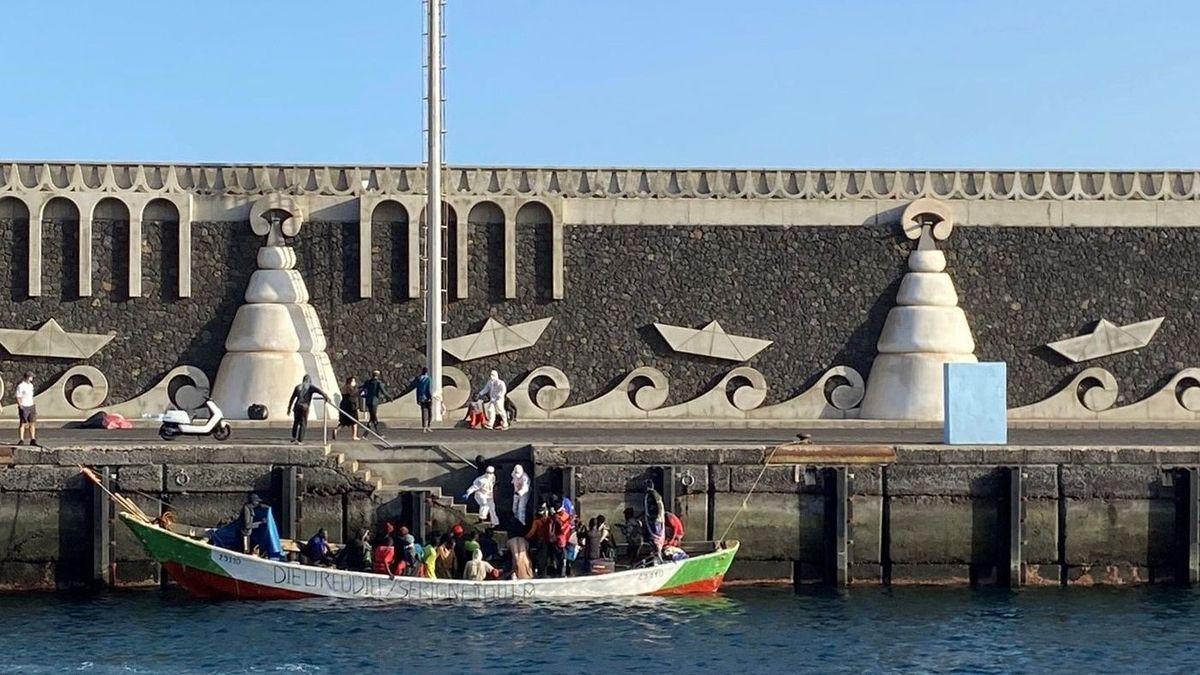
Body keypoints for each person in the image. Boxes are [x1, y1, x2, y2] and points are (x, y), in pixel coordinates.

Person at [287, 375, 326, 444]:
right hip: (305, 407)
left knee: (296, 422)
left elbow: (292, 398)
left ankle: (293, 437)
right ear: (309, 380)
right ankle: (300, 440)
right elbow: (320, 391)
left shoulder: (298, 387)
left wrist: (289, 408)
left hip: (297, 406)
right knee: (303, 423)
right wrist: (326, 397)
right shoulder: (310, 387)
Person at [525, 504, 552, 577]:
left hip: (540, 541)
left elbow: (532, 532)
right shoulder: (548, 520)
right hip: (548, 541)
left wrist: (525, 537)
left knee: (540, 558)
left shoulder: (536, 522)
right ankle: (544, 573)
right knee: (545, 558)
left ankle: (540, 573)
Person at [549, 500, 574, 577]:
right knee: (563, 558)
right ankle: (562, 573)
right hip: (562, 540)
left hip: (561, 540)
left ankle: (562, 572)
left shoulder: (554, 517)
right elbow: (562, 528)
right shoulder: (558, 517)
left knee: (561, 558)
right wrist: (569, 522)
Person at [333, 376, 361, 441]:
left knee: (343, 422)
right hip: (351, 406)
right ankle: (354, 436)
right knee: (354, 421)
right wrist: (359, 390)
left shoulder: (343, 387)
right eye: (353, 381)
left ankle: (336, 430)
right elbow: (353, 394)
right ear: (350, 381)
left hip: (343, 405)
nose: (354, 383)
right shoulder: (349, 388)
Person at [15, 371, 38, 447]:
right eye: (31, 377)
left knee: (32, 423)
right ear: (28, 377)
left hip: (31, 405)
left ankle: (33, 439)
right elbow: (18, 396)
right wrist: (20, 405)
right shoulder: (21, 386)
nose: (32, 378)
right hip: (24, 406)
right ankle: (21, 439)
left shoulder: (31, 385)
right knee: (23, 423)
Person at [644, 484, 666, 561]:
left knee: (657, 547)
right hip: (656, 525)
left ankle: (659, 559)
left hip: (656, 525)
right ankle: (659, 559)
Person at [412, 367, 433, 433]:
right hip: (427, 397)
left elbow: (417, 389)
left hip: (421, 397)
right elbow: (429, 389)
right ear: (427, 372)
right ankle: (428, 426)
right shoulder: (428, 379)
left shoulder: (419, 379)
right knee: (429, 412)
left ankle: (424, 427)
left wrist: (417, 399)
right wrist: (430, 397)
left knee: (423, 412)